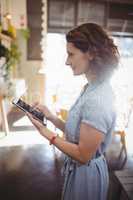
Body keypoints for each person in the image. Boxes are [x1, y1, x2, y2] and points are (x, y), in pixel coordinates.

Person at [27, 23, 119, 200]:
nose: (67, 61)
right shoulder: (91, 87)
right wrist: (51, 117)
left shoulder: (98, 98)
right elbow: (78, 135)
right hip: (81, 172)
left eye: (71, 54)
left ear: (91, 54)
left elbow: (83, 155)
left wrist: (46, 133)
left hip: (87, 176)